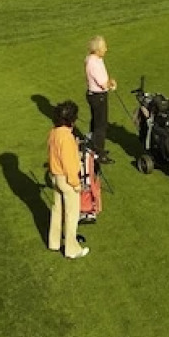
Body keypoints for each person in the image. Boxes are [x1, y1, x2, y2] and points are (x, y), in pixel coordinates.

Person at [47, 101, 90, 259]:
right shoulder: (66, 137)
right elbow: (70, 164)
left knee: (57, 210)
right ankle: (72, 249)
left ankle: (54, 242)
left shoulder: (54, 132)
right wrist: (76, 184)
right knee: (72, 215)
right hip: (67, 180)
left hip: (55, 177)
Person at [85, 35, 117, 163]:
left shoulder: (95, 59)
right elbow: (103, 84)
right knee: (101, 125)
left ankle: (94, 146)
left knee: (96, 122)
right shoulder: (93, 63)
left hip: (97, 96)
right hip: (98, 97)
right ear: (97, 49)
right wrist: (112, 83)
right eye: (104, 47)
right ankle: (99, 153)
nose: (106, 49)